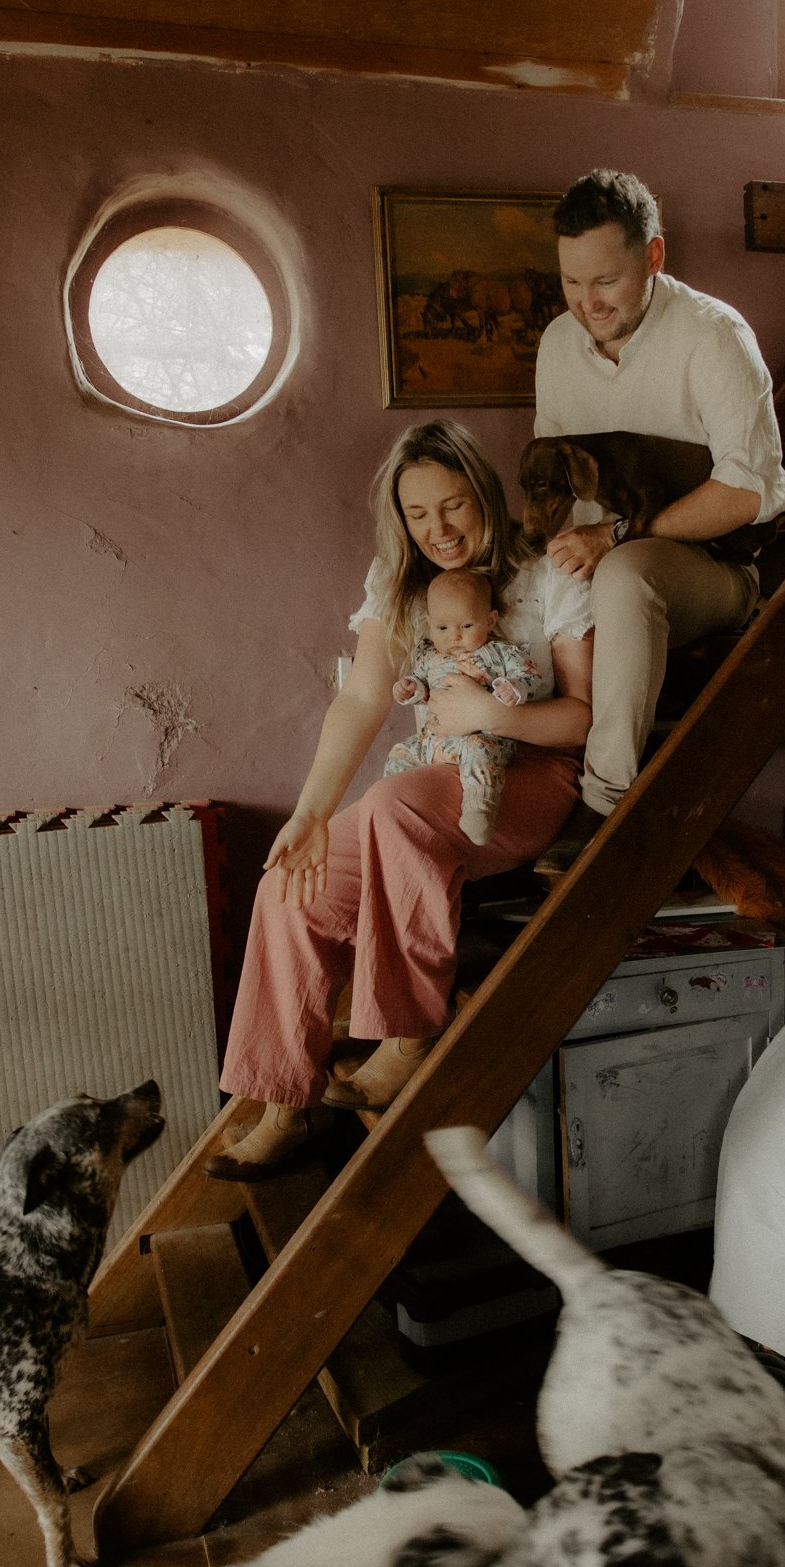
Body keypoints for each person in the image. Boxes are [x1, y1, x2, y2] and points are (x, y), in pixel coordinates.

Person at [205, 419, 594, 1180]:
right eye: (418, 515)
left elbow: (584, 717)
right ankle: (285, 1101)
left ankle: (407, 1031)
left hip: (527, 779)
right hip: (428, 785)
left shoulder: (545, 575)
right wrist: (310, 813)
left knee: (392, 803)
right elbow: (358, 702)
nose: (438, 530)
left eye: (453, 506)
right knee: (291, 885)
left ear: (483, 493)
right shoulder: (397, 583)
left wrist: (495, 715)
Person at [532, 169, 785, 877]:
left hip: (716, 568)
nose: (587, 303)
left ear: (652, 257)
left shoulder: (713, 336)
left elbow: (745, 493)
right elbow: (556, 473)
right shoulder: (558, 344)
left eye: (605, 282)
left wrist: (616, 536)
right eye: (571, 283)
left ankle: (603, 801)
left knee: (622, 572)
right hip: (604, 549)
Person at [384, 567, 541, 847]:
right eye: (442, 628)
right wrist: (410, 688)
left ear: (490, 620)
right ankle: (394, 807)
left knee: (478, 750)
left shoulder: (499, 653)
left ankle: (480, 808)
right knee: (399, 753)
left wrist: (514, 688)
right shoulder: (429, 654)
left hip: (483, 737)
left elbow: (530, 677)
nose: (454, 637)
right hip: (432, 741)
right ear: (429, 623)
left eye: (466, 626)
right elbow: (421, 683)